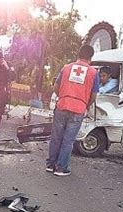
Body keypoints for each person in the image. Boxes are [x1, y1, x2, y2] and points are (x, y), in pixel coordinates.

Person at [46, 45, 100, 176]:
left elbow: (56, 87)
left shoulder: (66, 68)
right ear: (90, 57)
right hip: (78, 109)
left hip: (62, 105)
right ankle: (61, 168)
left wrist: (62, 97)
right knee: (68, 140)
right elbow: (94, 95)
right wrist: (85, 104)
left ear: (78, 55)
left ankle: (50, 164)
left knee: (56, 137)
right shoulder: (93, 73)